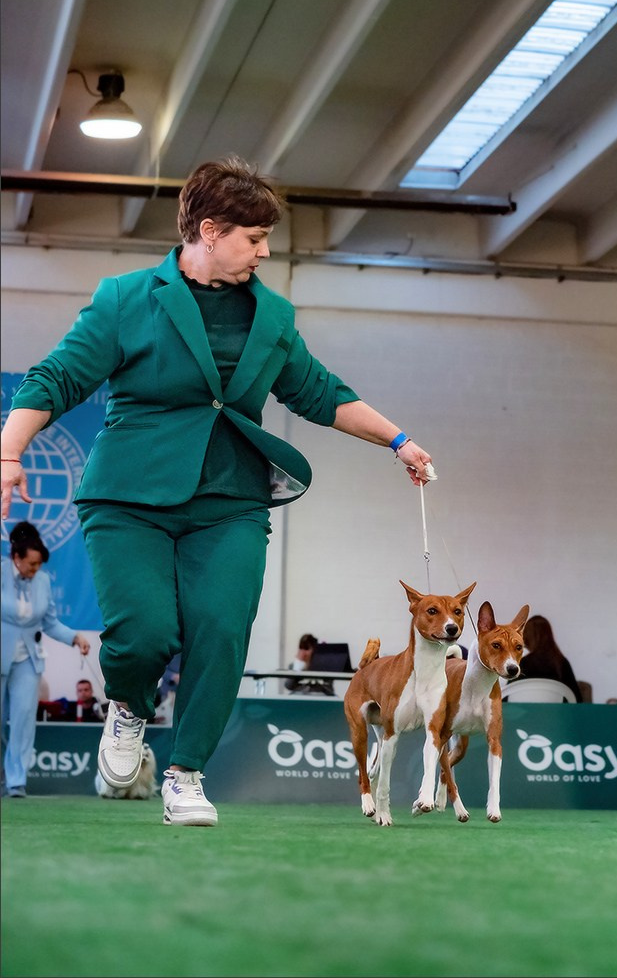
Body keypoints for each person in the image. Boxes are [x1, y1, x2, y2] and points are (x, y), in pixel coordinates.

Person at [0, 154, 435, 827]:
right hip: (128, 495)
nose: (263, 252)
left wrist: (400, 442)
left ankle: (185, 774)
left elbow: (320, 393)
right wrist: (9, 451)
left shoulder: (272, 317)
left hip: (230, 497)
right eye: (253, 239)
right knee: (143, 632)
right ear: (208, 229)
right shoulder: (126, 298)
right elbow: (56, 378)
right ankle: (127, 709)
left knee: (221, 630)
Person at [1, 521, 91, 796]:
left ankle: (16, 782)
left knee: (24, 719)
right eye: (31, 564)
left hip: (28, 658)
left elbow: (50, 622)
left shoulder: (42, 581)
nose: (35, 569)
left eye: (39, 564)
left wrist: (75, 637)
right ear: (16, 558)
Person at [520, 614, 583, 703]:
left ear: (527, 638)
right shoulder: (562, 662)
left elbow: (507, 699)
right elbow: (577, 699)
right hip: (558, 715)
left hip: (528, 715)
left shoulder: (524, 663)